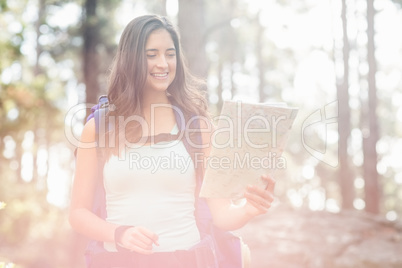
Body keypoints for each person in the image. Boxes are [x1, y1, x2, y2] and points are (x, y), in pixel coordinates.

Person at [69, 14, 275, 268]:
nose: (163, 63)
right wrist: (119, 233)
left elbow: (222, 215)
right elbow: (78, 214)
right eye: (151, 54)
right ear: (131, 59)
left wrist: (248, 209)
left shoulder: (198, 127)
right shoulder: (99, 128)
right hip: (117, 261)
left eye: (170, 53)